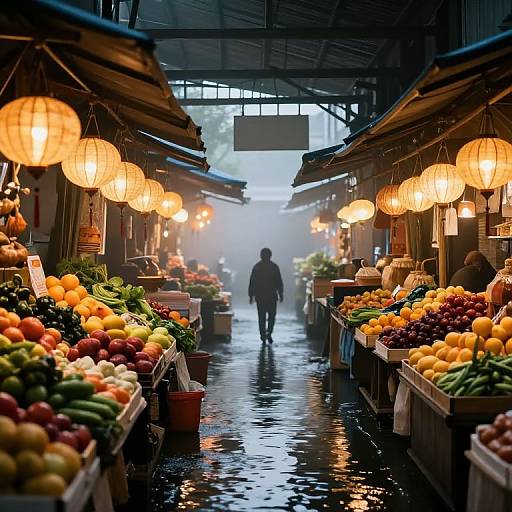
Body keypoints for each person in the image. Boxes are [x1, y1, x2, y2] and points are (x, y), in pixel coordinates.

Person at [249, 248, 283, 343]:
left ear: (260, 255)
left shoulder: (257, 267)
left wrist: (251, 296)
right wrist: (281, 294)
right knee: (272, 316)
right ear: (270, 255)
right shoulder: (274, 267)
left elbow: (252, 282)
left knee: (261, 317)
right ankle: (269, 333)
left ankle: (263, 335)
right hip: (272, 296)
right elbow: (279, 282)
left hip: (260, 297)